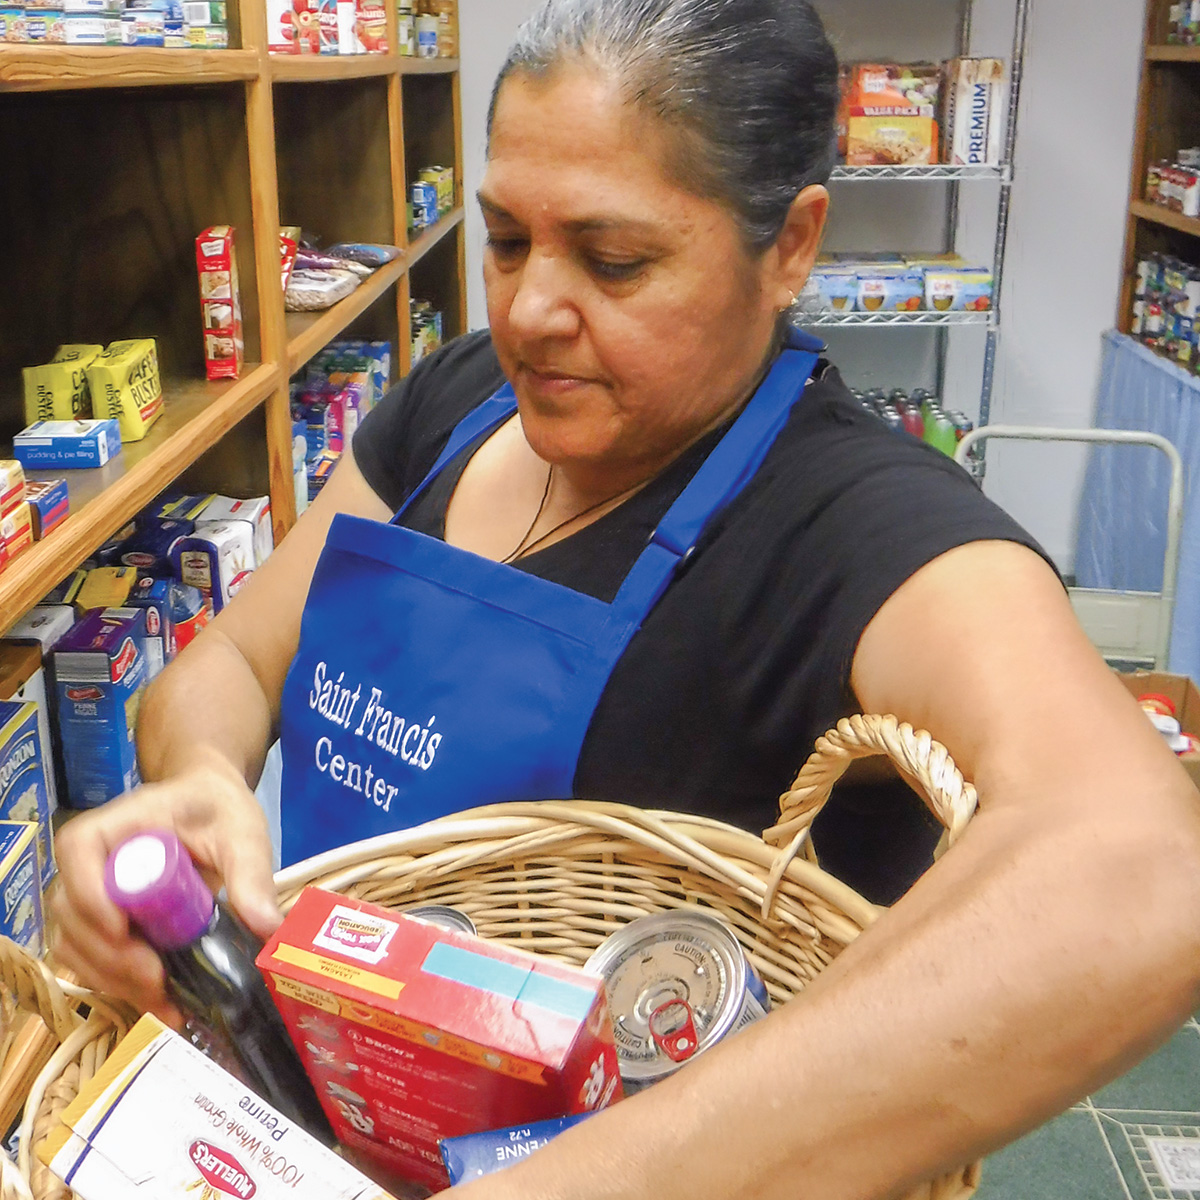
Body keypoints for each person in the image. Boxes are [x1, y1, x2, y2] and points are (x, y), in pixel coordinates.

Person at [53, 1, 1200, 1196]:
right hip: (344, 1112)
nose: (529, 312)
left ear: (792, 245)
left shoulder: (854, 524)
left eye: (613, 261)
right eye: (504, 241)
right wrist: (197, 788)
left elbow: (1136, 867)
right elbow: (232, 663)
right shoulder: (455, 406)